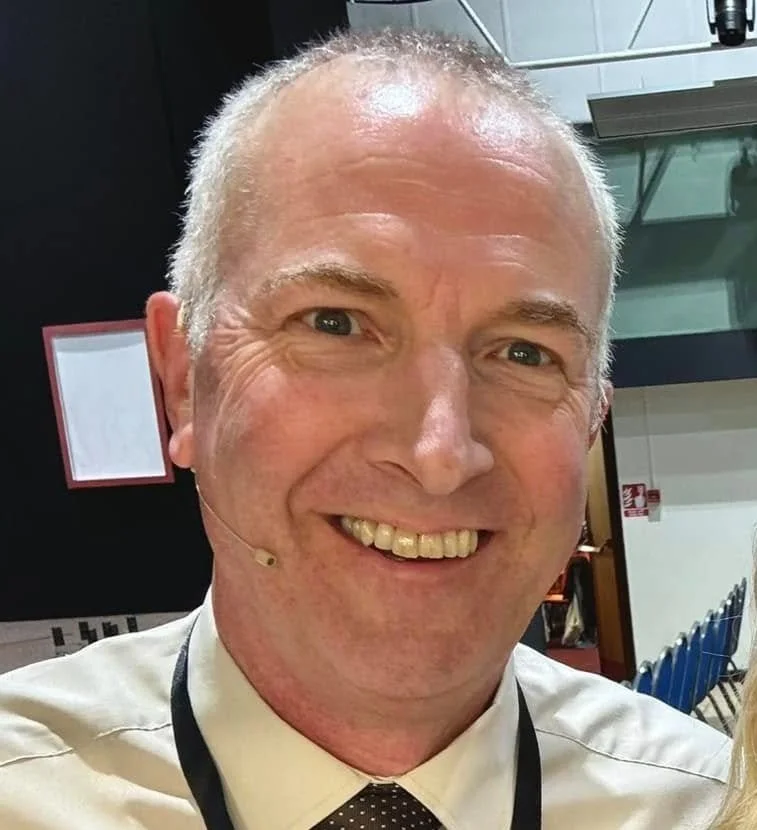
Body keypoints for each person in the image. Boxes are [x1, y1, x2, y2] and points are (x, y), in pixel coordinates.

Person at [0, 27, 731, 829]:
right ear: (183, 383)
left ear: (592, 414)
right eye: (336, 323)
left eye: (524, 351)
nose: (440, 453)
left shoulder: (706, 809)